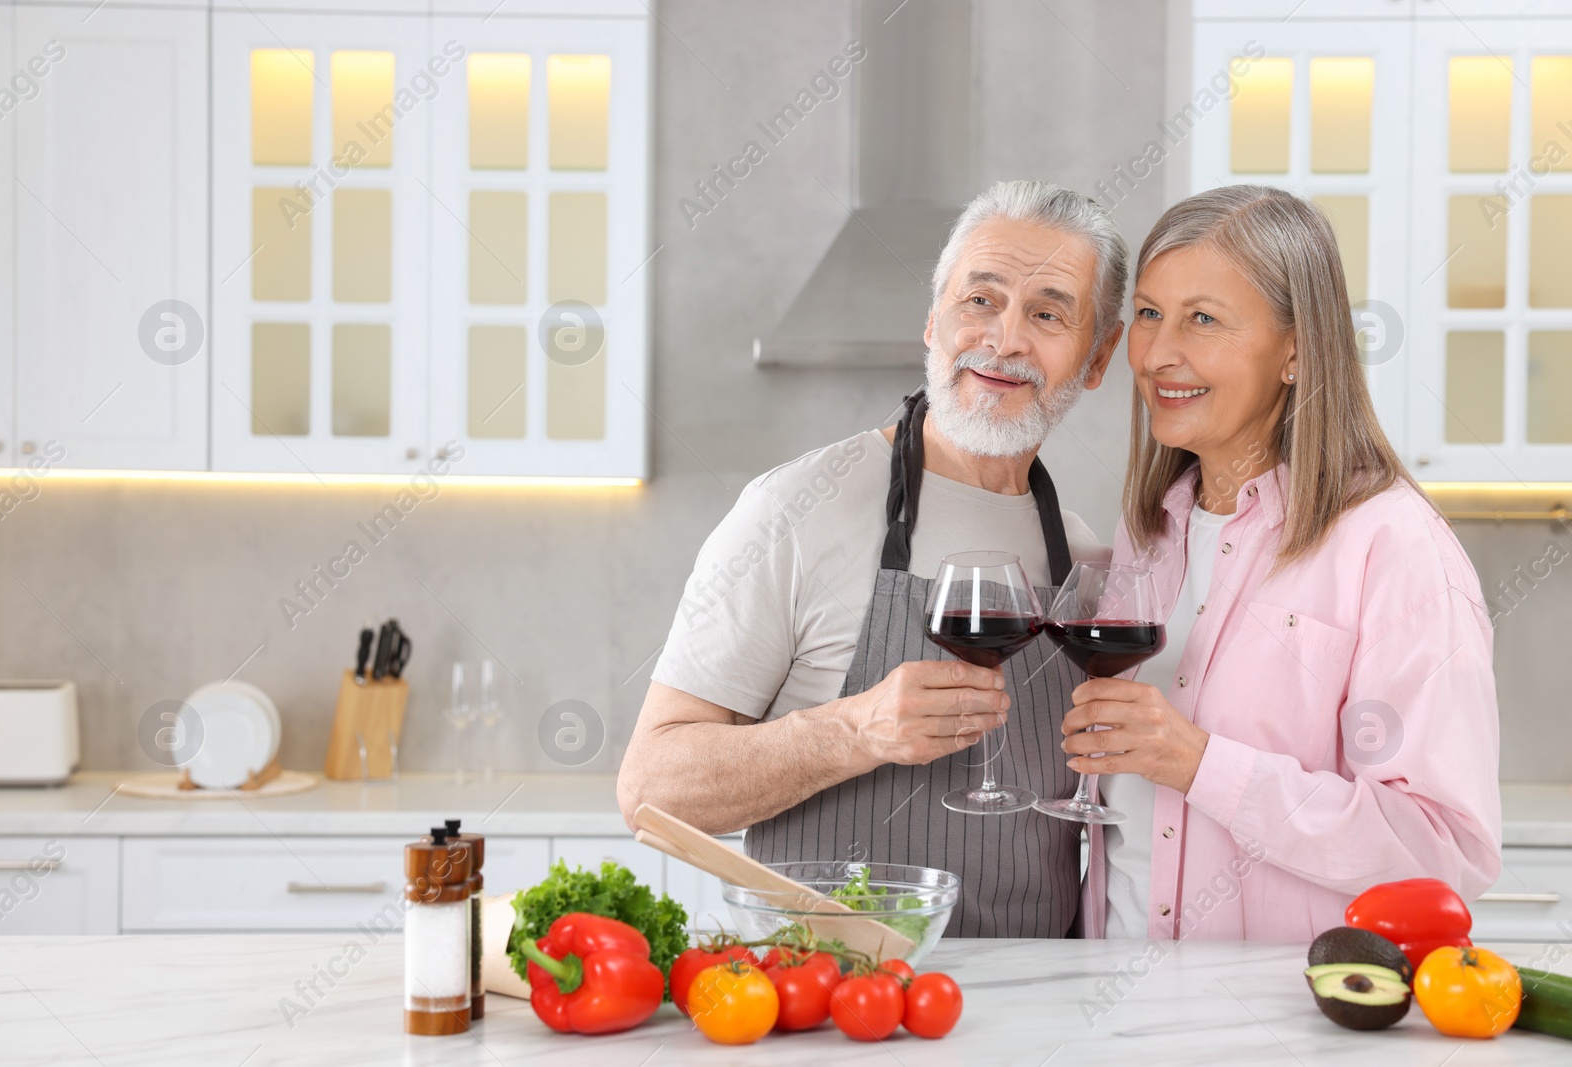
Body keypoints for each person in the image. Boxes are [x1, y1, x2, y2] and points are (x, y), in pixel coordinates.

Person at [618, 180, 1126, 936]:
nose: (1006, 339)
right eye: (979, 301)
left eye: (1049, 313)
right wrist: (851, 731)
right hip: (825, 1013)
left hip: (1034, 1014)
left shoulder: (1088, 564)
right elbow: (650, 790)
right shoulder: (793, 509)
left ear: (1098, 356)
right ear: (932, 320)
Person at [1067, 184, 1501, 940]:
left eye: (1203, 318)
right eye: (1147, 313)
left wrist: (1203, 764)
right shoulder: (1152, 528)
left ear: (1297, 350)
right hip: (1113, 1005)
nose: (1160, 353)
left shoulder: (1393, 546)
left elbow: (1443, 852)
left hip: (1284, 1025)